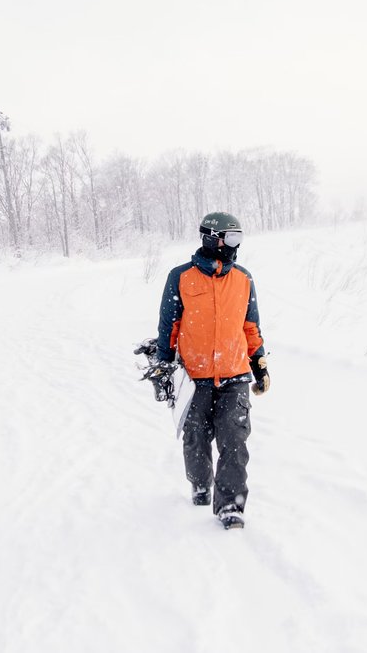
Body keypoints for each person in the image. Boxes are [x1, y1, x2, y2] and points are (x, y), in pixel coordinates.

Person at [150, 211, 270, 530]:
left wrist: (260, 365)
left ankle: (231, 504)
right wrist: (163, 366)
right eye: (231, 239)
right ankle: (201, 485)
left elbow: (250, 326)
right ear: (210, 238)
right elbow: (169, 327)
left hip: (234, 374)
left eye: (239, 239)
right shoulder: (181, 277)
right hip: (195, 376)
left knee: (234, 439)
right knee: (195, 438)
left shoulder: (243, 279)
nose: (235, 246)